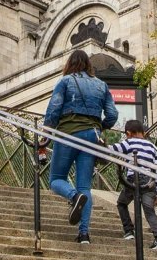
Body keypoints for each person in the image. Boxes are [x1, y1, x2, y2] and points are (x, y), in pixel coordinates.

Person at [41, 48, 119, 243]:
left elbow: (53, 110)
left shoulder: (65, 81)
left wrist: (46, 135)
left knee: (56, 179)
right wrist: (100, 126)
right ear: (88, 65)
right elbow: (113, 115)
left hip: (68, 134)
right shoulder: (101, 85)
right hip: (92, 137)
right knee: (85, 186)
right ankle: (84, 234)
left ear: (70, 64)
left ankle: (74, 197)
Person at [116, 119, 157, 250]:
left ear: (128, 133)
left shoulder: (128, 142)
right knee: (149, 211)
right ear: (143, 132)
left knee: (122, 203)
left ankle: (128, 231)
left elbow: (113, 149)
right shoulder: (153, 147)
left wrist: (99, 143)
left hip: (133, 180)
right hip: (149, 182)